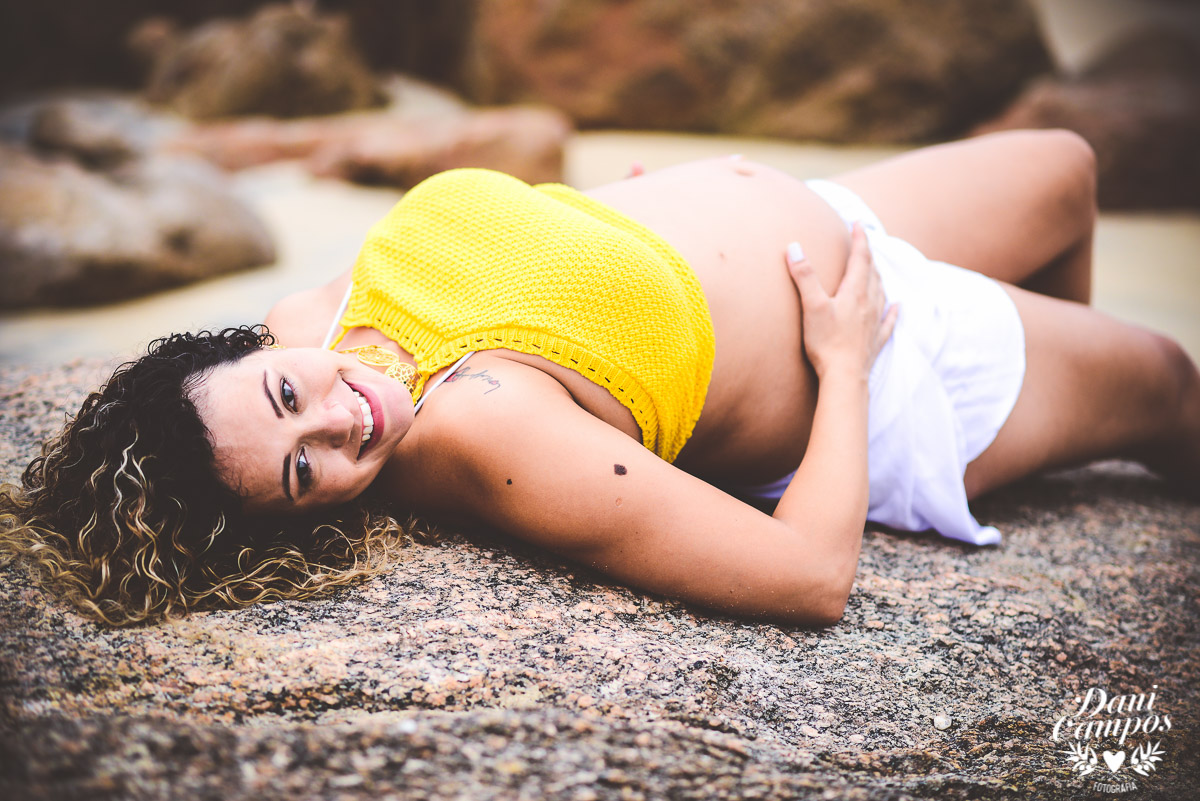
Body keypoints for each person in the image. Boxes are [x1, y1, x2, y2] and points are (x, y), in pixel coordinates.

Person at [3, 129, 1197, 629]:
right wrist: (843, 366)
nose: (338, 425)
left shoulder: (314, 314)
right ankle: (1046, 397)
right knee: (1171, 379)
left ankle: (1060, 388)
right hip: (893, 360)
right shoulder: (484, 435)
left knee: (1068, 169)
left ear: (246, 350)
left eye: (284, 400)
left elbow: (524, 260)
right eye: (307, 476)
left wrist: (631, 207)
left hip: (831, 218)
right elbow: (808, 577)